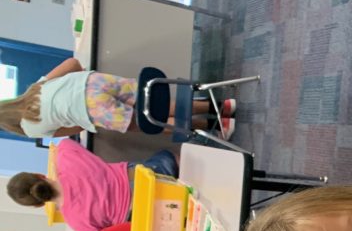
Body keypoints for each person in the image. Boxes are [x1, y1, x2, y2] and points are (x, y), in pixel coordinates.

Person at [0, 57, 235, 139]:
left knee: (150, 120)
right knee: (152, 103)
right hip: (92, 82)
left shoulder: (31, 130)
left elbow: (76, 129)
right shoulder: (34, 89)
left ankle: (215, 125)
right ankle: (220, 106)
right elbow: (72, 63)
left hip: (92, 110)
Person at [7, 139, 178, 231]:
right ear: (39, 175)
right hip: (154, 179)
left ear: (38, 204)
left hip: (151, 217)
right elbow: (64, 143)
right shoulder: (67, 159)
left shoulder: (76, 224)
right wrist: (55, 166)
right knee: (167, 156)